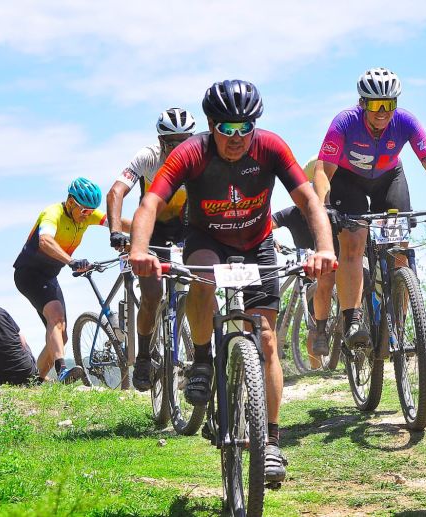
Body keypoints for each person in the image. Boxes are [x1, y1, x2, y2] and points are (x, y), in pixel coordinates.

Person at [128, 79, 336, 484]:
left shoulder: (271, 147)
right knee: (202, 278)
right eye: (227, 128)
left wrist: (323, 249)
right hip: (208, 240)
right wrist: (139, 249)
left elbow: (309, 198)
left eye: (246, 127)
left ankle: (272, 443)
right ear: (211, 124)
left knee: (268, 341)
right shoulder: (191, 152)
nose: (237, 137)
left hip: (257, 242)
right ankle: (204, 358)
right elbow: (151, 201)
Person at [313, 67, 426, 348]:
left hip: (388, 179)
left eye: (389, 104)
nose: (383, 112)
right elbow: (322, 170)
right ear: (363, 103)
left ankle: (398, 325)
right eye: (376, 105)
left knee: (399, 248)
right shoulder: (344, 122)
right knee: (353, 244)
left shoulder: (405, 121)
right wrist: (324, 205)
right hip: (348, 181)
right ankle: (353, 320)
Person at [106, 107, 197, 391]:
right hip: (151, 230)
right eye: (172, 143)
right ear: (160, 142)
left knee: (204, 284)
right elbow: (116, 191)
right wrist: (116, 231)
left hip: (186, 227)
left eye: (185, 141)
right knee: (152, 294)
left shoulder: (198, 157)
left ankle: (203, 357)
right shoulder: (148, 157)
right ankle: (144, 356)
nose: (179, 148)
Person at [14, 177, 130, 383]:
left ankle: (33, 380)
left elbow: (117, 222)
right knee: (56, 318)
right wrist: (71, 261)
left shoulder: (88, 215)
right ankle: (62, 371)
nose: (87, 216)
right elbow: (45, 240)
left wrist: (148, 229)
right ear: (70, 202)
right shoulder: (53, 213)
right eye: (83, 210)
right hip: (28, 273)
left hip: (49, 275)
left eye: (90, 211)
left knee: (62, 334)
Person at [272, 155, 339, 359]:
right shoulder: (290, 213)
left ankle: (324, 362)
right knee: (309, 312)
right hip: (303, 263)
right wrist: (270, 239)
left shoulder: (323, 215)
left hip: (324, 264)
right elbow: (268, 223)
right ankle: (315, 366)